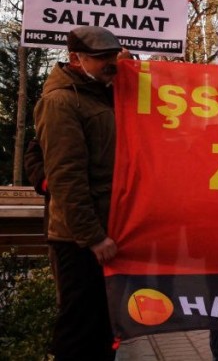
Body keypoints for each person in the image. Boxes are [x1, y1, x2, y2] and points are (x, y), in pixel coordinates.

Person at [33, 26, 130, 360]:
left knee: (104, 328)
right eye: (101, 57)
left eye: (113, 56)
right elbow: (66, 177)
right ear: (76, 59)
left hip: (106, 231)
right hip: (80, 241)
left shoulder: (103, 92)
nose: (110, 63)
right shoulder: (61, 102)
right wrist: (93, 236)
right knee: (79, 331)